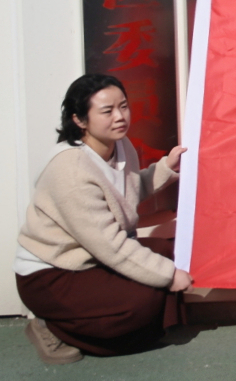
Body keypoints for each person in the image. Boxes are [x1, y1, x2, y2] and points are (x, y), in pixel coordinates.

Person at [14, 74, 191, 363]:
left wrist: (166, 168)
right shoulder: (71, 170)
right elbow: (111, 245)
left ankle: (144, 322)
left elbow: (126, 193)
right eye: (107, 111)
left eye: (123, 106)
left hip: (92, 258)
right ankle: (51, 326)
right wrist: (169, 276)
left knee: (168, 252)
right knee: (142, 301)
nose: (120, 117)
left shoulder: (121, 146)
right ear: (79, 120)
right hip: (53, 273)